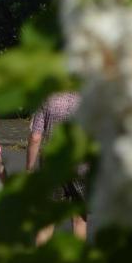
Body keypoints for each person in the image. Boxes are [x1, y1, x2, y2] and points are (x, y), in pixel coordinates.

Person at [27, 91, 87, 244]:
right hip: (79, 164)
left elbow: (35, 138)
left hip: (51, 165)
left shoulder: (47, 98)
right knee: (79, 219)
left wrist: (29, 169)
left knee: (47, 221)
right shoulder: (85, 96)